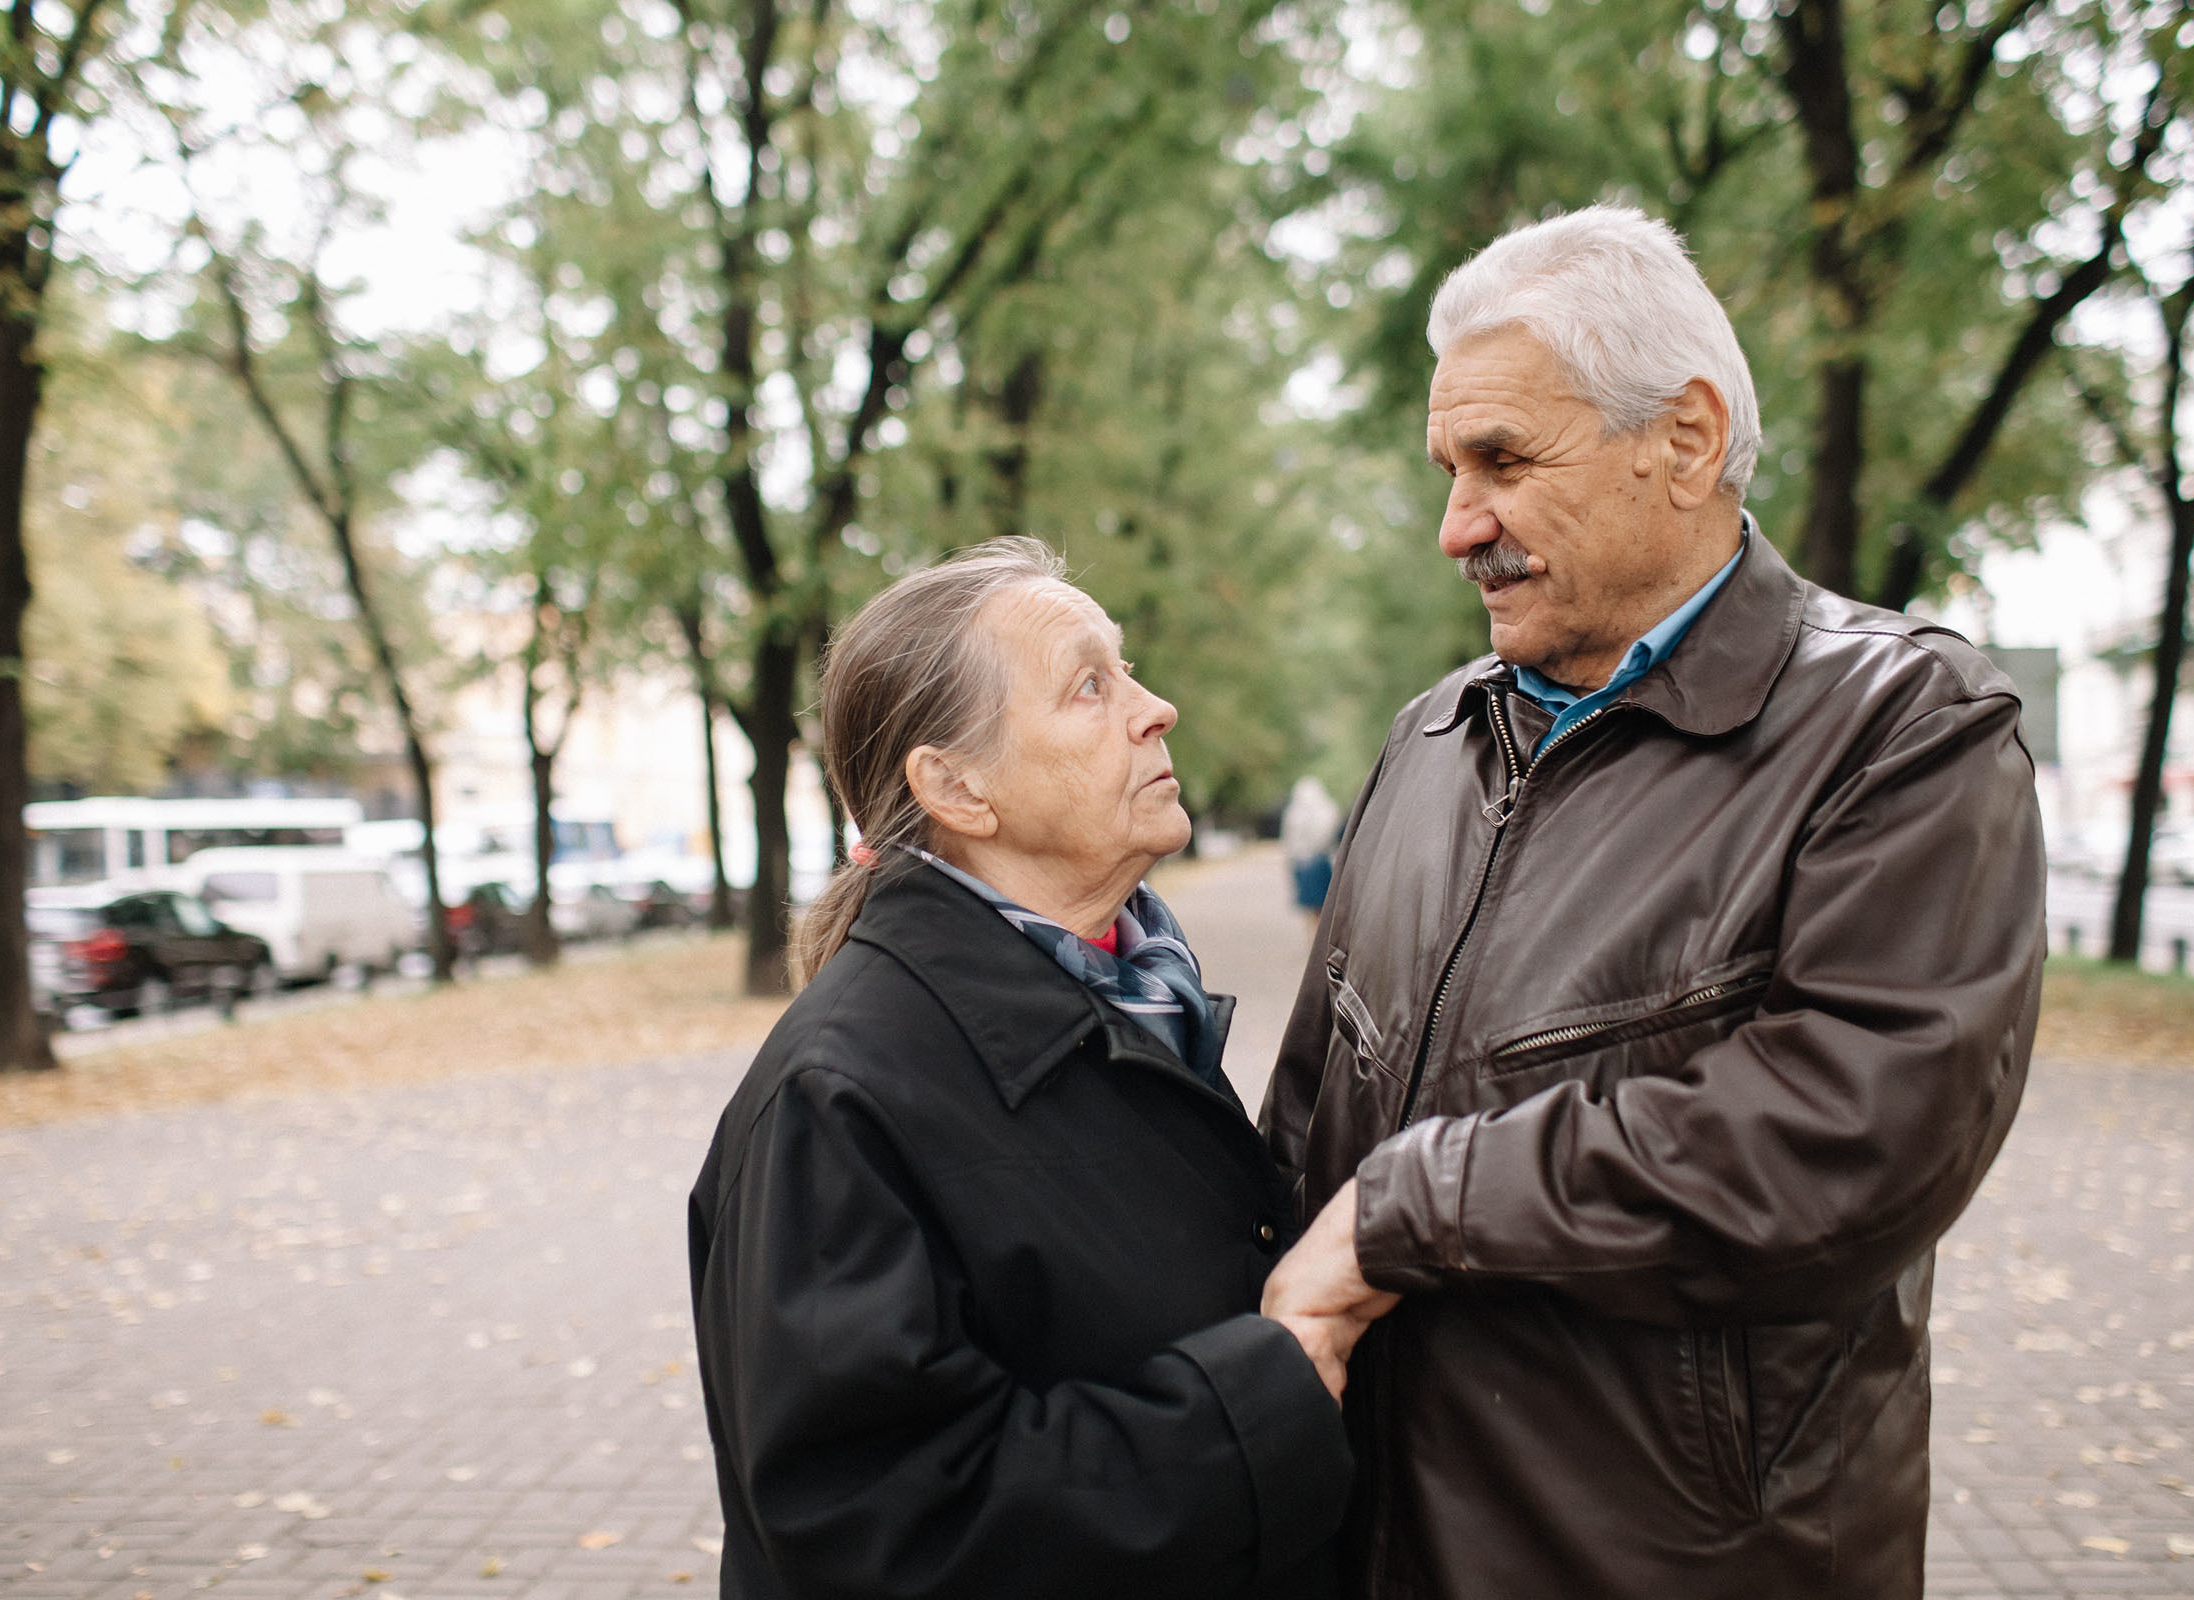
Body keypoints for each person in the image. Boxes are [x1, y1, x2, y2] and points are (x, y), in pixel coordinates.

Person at [1258, 206, 2046, 1598]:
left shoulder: (1906, 727)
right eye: (1449, 469)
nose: (1459, 526)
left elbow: (1843, 1144)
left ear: (1683, 440)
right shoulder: (1431, 737)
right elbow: (1309, 1116)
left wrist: (1415, 1204)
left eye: (1502, 460)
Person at [689, 538, 1363, 1600]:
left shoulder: (1136, 990)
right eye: (1091, 686)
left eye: (1127, 669)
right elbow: (891, 1527)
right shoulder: (835, 1098)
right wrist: (1265, 1393)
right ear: (956, 786)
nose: (1157, 707)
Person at [1279, 776, 1342, 922]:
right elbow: (1331, 835)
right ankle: (1320, 938)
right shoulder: (1328, 808)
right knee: (1323, 907)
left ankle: (1312, 939)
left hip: (1302, 862)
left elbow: (1289, 840)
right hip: (1320, 860)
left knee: (1309, 910)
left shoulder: (1293, 812)